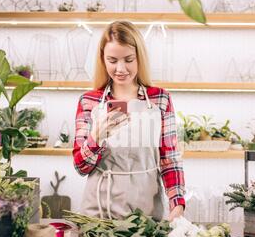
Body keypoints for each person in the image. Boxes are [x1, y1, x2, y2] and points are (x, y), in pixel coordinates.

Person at [73, 21, 185, 221]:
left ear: (139, 58)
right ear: (103, 60)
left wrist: (177, 204)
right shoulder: (89, 101)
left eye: (128, 59)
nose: (121, 68)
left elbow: (169, 160)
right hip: (99, 214)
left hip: (146, 215)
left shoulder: (160, 99)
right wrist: (96, 138)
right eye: (113, 60)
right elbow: (81, 167)